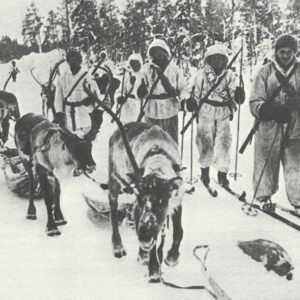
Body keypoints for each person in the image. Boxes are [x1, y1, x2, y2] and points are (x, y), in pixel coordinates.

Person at [249, 34, 300, 214]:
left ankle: (298, 201)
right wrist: (270, 111)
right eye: (282, 52)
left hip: (296, 126)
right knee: (265, 162)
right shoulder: (265, 72)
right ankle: (263, 197)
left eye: (289, 52)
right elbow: (255, 100)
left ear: (295, 52)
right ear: (276, 52)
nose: (285, 56)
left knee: (296, 166)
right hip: (269, 126)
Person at [186, 44, 243, 188]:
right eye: (214, 58)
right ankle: (204, 171)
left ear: (224, 60)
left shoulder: (229, 74)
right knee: (204, 142)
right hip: (205, 111)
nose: (217, 61)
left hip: (223, 112)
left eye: (220, 58)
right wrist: (192, 101)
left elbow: (233, 93)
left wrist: (238, 95)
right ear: (209, 60)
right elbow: (194, 91)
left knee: (224, 143)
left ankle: (222, 173)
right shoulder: (201, 74)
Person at [54, 48, 102, 172]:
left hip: (84, 110)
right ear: (68, 61)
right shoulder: (63, 77)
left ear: (80, 61)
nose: (73, 62)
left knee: (86, 136)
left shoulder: (87, 76)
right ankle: (78, 161)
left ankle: (88, 160)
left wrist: (98, 111)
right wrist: (59, 112)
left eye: (75, 60)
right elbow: (58, 96)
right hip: (69, 111)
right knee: (72, 136)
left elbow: (96, 94)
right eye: (70, 60)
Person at [137, 38, 188, 144]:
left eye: (161, 51)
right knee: (152, 141)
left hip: (170, 108)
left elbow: (183, 88)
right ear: (152, 54)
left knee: (171, 142)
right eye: (155, 52)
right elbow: (139, 86)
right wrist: (140, 91)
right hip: (152, 109)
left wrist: (184, 100)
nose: (159, 54)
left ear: (166, 52)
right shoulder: (146, 69)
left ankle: (172, 160)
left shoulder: (174, 69)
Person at [115, 53, 143, 123]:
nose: (135, 65)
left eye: (137, 63)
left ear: (140, 63)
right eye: (132, 63)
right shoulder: (127, 75)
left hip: (139, 105)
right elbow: (120, 90)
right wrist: (120, 97)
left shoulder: (144, 75)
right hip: (127, 106)